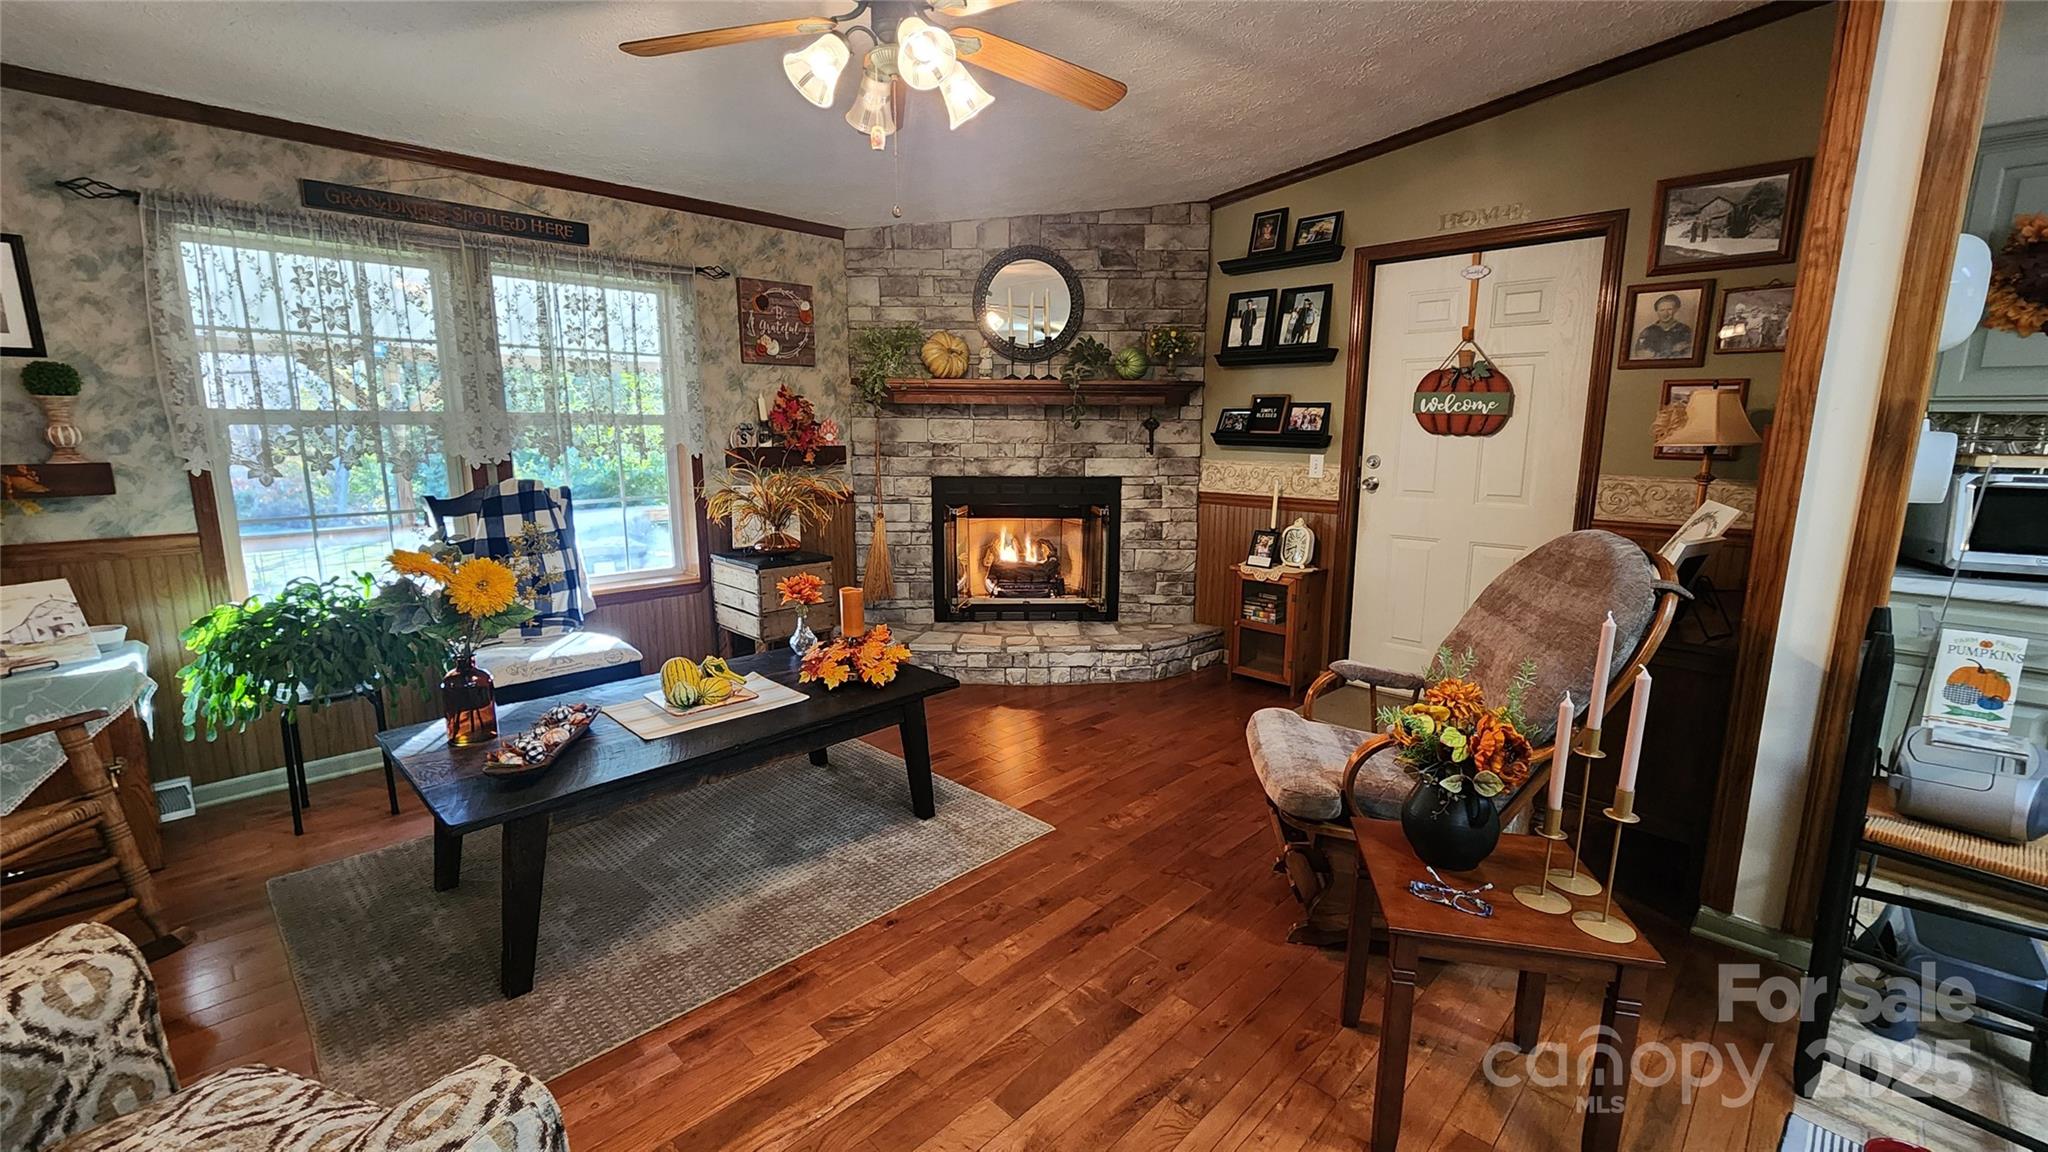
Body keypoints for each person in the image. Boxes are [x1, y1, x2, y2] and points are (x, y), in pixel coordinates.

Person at [1632, 293, 1694, 360]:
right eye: (1662, 310)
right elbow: (1641, 354)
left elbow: (1686, 354)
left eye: (1669, 309)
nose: (1665, 313)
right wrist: (1672, 350)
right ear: (1657, 311)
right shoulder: (1647, 332)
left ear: (1676, 310)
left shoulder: (1684, 330)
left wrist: (1655, 354)